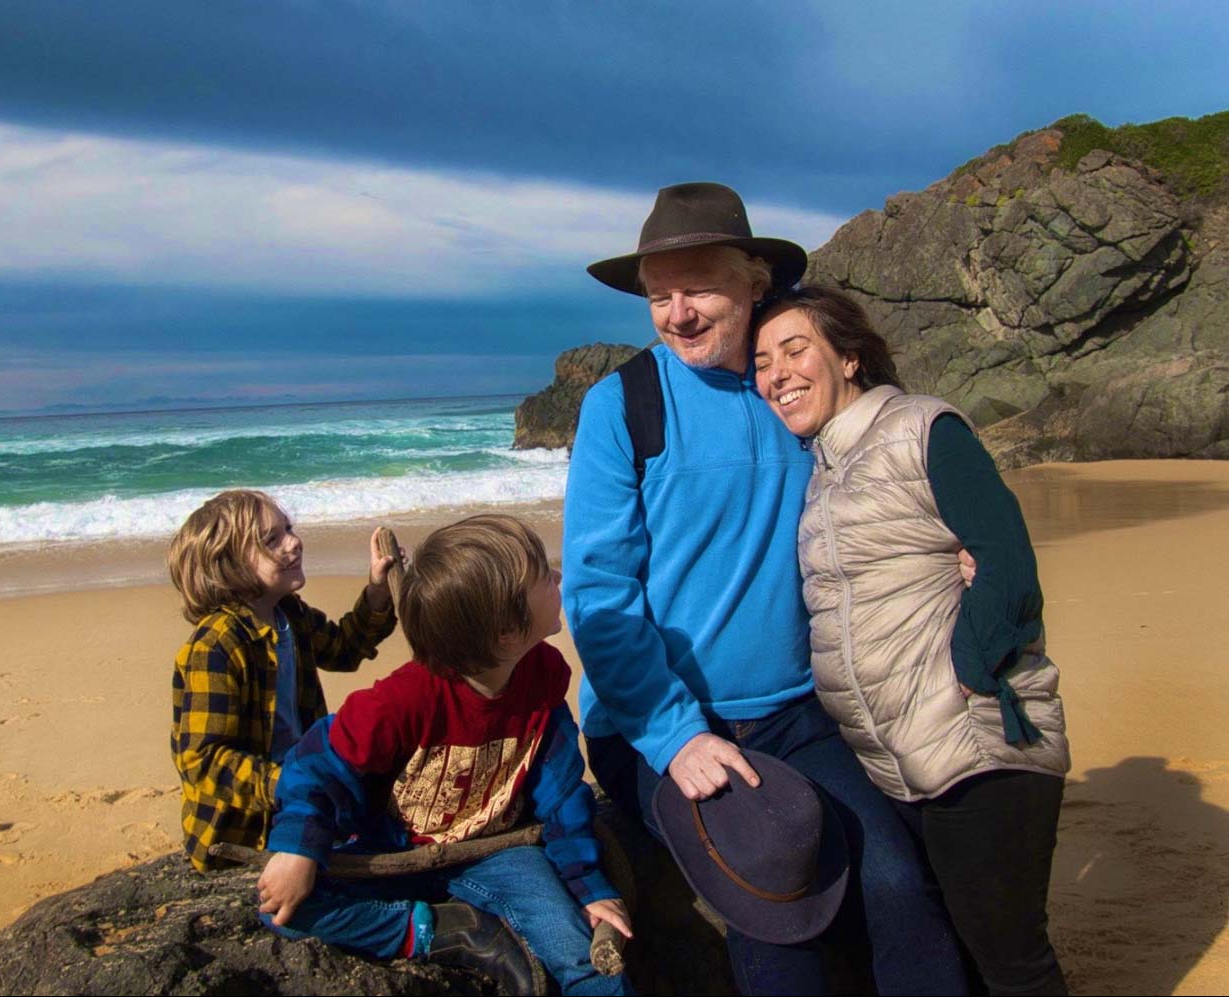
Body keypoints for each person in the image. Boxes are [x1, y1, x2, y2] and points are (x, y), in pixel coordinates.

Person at [564, 182, 967, 995]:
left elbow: (887, 482)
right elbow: (598, 593)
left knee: (896, 884)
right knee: (772, 911)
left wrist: (955, 549)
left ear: (756, 282)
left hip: (799, 711)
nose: (677, 312)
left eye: (700, 286)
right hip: (661, 724)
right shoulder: (623, 405)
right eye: (658, 294)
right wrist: (675, 736)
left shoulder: (798, 386)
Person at [753, 284, 1071, 996]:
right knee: (968, 947)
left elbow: (1008, 562)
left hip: (976, 744)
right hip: (902, 759)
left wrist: (970, 669)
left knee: (1012, 960)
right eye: (763, 361)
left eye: (796, 348)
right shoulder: (825, 469)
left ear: (852, 356)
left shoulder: (922, 428)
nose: (777, 373)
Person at [255, 514, 633, 997]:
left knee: (582, 954)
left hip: (500, 854)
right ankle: (437, 930)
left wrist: (591, 888)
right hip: (394, 852)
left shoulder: (542, 681)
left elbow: (561, 795)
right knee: (282, 909)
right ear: (505, 634)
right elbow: (316, 762)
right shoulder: (405, 700)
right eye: (544, 576)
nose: (557, 578)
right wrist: (298, 848)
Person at [168, 488, 397, 872]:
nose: (293, 542)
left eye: (287, 528)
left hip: (297, 785)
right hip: (244, 826)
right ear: (227, 565)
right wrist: (285, 781)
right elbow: (202, 761)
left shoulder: (288, 614)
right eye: (271, 539)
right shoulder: (217, 645)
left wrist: (377, 591)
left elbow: (344, 648)